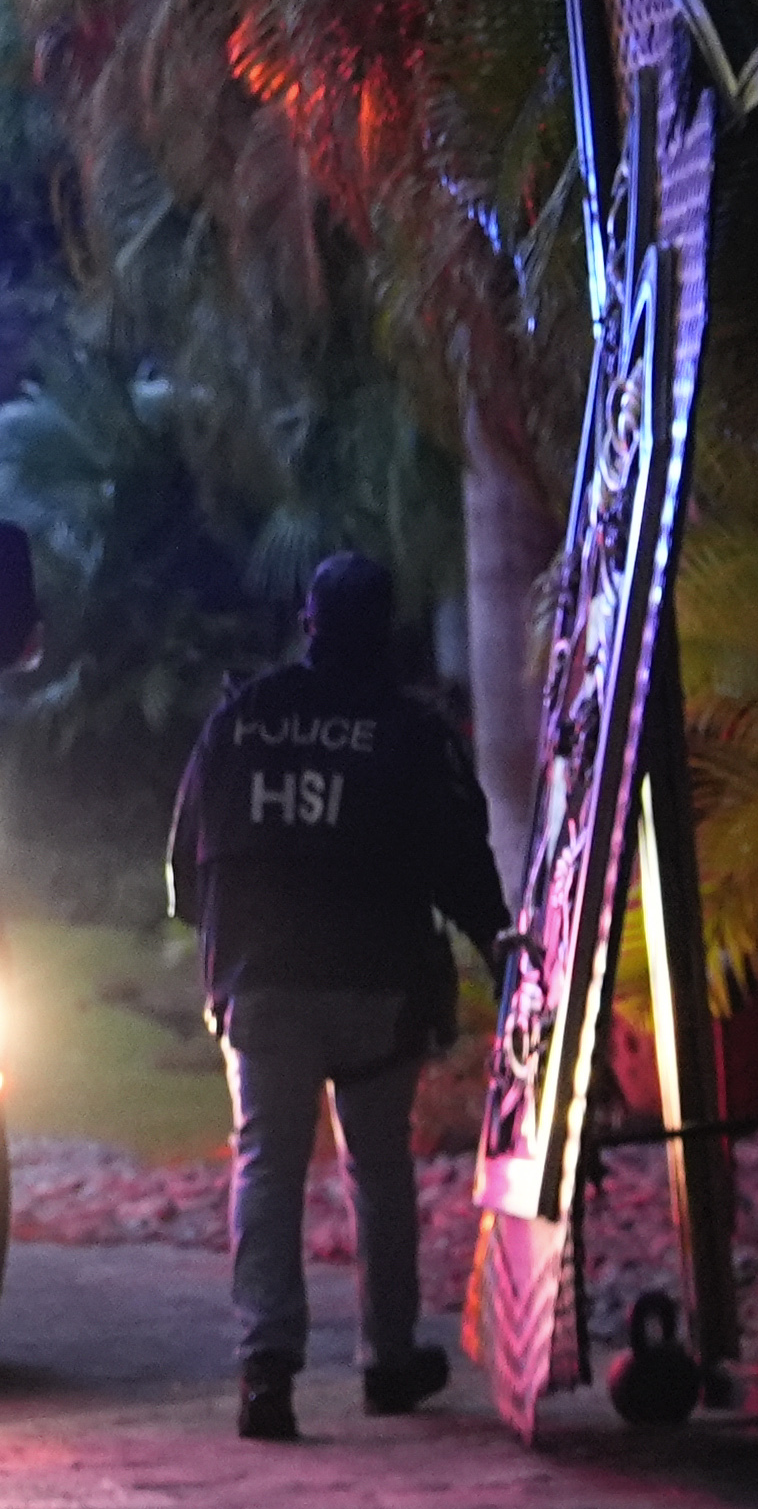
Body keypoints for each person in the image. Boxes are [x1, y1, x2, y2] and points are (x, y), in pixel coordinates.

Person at [169, 551, 511, 1442]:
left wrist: (225, 952)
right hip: (375, 988)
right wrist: (503, 954)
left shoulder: (241, 719)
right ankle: (388, 1360)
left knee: (266, 1164)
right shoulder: (409, 730)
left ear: (309, 622)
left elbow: (184, 863)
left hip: (262, 984)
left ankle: (266, 1370)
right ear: (387, 630)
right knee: (378, 1166)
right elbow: (463, 866)